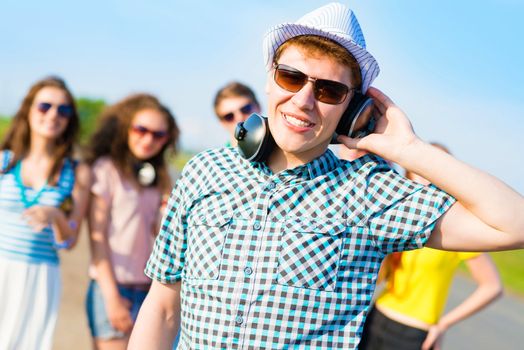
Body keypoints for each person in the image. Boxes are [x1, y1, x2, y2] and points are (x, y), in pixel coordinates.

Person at [129, 3, 524, 349]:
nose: (303, 100)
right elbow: (164, 305)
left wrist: (410, 151)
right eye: (291, 77)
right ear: (269, 78)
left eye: (330, 90)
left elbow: (514, 225)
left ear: (352, 108)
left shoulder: (369, 194)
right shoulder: (204, 171)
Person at [359, 144, 503, 350]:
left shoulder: (456, 232)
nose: (427, 176)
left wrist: (444, 324)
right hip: (376, 317)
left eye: (436, 168)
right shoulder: (400, 222)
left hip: (414, 333)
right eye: (421, 168)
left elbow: (492, 287)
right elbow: (380, 277)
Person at [0, 76, 91, 350]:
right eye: (45, 106)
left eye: (63, 110)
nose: (53, 115)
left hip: (40, 277)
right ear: (28, 109)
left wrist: (56, 215)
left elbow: (69, 242)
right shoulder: (4, 161)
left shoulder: (76, 172)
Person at [84, 93, 179, 350]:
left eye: (159, 135)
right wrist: (111, 298)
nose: (148, 139)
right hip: (113, 288)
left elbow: (164, 236)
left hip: (151, 291)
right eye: (141, 129)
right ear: (127, 127)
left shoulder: (162, 178)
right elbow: (98, 238)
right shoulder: (106, 169)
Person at [213, 81, 261, 146]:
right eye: (229, 116)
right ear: (222, 123)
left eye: (246, 109)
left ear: (258, 107)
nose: (239, 118)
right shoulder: (218, 156)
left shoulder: (279, 146)